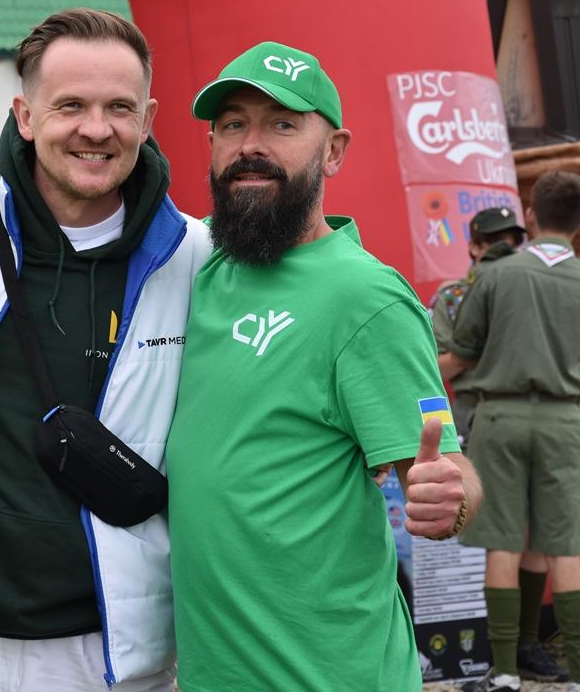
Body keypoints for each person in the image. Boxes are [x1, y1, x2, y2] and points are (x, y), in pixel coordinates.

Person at [0, 8, 211, 691]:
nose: (96, 129)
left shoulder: (196, 259)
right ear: (24, 115)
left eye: (119, 108)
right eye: (69, 105)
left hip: (112, 652)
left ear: (149, 118)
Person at [166, 41, 481, 691]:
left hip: (331, 675)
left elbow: (446, 471)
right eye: (232, 125)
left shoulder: (364, 297)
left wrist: (452, 495)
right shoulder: (201, 266)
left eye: (282, 124)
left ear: (334, 150)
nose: (252, 144)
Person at [444, 171, 580, 692]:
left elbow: (464, 350)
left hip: (499, 418)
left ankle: (503, 675)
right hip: (566, 420)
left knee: (502, 543)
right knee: (565, 547)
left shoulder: (496, 278)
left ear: (531, 215)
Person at [433, 205, 526, 444]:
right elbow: (431, 369)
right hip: (473, 408)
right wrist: (467, 351)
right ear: (474, 248)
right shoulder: (452, 296)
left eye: (512, 246)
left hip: (526, 411)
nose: (506, 253)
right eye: (496, 245)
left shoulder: (533, 291)